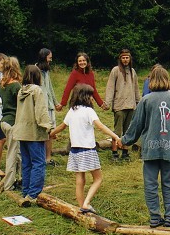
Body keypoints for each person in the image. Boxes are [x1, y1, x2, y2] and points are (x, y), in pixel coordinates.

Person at [116, 66, 170, 228]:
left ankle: (154, 217)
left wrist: (125, 140)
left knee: (150, 184)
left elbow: (136, 125)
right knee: (168, 183)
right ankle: (169, 218)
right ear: (168, 80)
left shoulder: (146, 100)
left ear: (151, 80)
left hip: (150, 149)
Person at [50, 84, 121, 214]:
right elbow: (100, 126)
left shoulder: (72, 111)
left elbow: (62, 126)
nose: (93, 99)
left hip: (75, 151)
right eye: (91, 96)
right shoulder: (89, 111)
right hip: (87, 150)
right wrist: (115, 136)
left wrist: (51, 134)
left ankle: (81, 205)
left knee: (80, 179)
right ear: (85, 97)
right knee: (98, 178)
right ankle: (86, 203)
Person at [13, 65, 53, 203]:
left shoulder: (21, 90)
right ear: (37, 76)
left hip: (21, 131)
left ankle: (26, 191)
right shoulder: (37, 90)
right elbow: (41, 111)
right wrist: (48, 127)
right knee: (38, 162)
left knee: (27, 162)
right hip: (33, 132)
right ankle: (34, 194)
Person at [105, 49, 141, 161]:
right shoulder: (115, 71)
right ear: (120, 58)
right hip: (119, 105)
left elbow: (136, 88)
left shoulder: (132, 71)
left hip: (131, 105)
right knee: (117, 131)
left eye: (127, 57)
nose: (125, 60)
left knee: (128, 131)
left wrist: (138, 102)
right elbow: (110, 87)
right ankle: (115, 153)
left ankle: (125, 152)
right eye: (123, 57)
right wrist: (107, 102)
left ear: (130, 59)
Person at [0, 57, 22, 191]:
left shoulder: (2, 83)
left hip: (4, 120)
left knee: (18, 152)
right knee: (12, 154)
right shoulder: (15, 86)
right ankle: (8, 185)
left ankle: (19, 178)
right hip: (13, 122)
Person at [37, 48, 62, 167]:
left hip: (49, 106)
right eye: (49, 58)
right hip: (41, 108)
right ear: (44, 57)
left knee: (51, 133)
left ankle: (48, 158)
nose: (51, 60)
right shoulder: (35, 70)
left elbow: (50, 88)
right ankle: (40, 158)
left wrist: (56, 102)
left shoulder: (46, 71)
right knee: (42, 132)